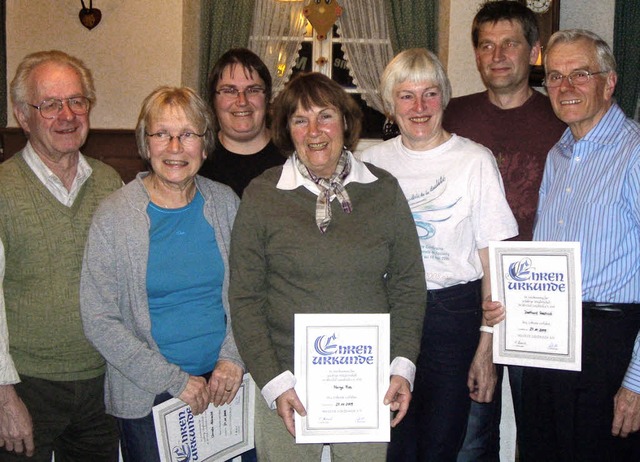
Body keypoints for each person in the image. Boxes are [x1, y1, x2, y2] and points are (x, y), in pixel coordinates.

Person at [228, 72, 426, 461]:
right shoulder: (263, 195)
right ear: (287, 129)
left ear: (347, 123)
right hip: (288, 382)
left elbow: (408, 285)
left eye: (326, 116)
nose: (314, 130)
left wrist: (402, 366)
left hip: (367, 383)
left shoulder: (383, 190)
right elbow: (245, 299)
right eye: (300, 119)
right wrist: (273, 383)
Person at [484, 29, 640, 461]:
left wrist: (638, 380)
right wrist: (510, 304)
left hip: (611, 345)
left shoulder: (636, 152)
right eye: (554, 76)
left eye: (580, 74)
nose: (565, 87)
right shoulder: (559, 155)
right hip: (548, 341)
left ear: (609, 82)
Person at [361, 48, 518, 462]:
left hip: (452, 319)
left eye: (430, 94)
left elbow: (494, 262)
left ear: (444, 98)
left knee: (441, 444)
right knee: (391, 443)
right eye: (406, 95)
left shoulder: (474, 161)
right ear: (389, 103)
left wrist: (487, 345)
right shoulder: (369, 163)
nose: (419, 107)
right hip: (388, 316)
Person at [80, 86, 246, 461]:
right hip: (148, 394)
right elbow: (99, 319)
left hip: (224, 386)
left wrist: (233, 359)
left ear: (204, 146)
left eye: (188, 134)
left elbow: (248, 294)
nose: (175, 147)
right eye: (162, 134)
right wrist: (175, 381)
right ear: (145, 143)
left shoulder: (225, 204)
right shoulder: (114, 216)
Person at [441, 2, 566, 460]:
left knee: (542, 434)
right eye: (486, 45)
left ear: (534, 51)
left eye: (510, 43)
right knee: (470, 436)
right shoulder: (450, 117)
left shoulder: (562, 117)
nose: (497, 55)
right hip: (472, 297)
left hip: (542, 297)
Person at [0, 50, 121, 460]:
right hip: (26, 385)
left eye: (76, 101)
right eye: (49, 104)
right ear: (22, 114)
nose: (66, 115)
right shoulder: (2, 189)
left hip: (101, 383)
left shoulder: (110, 184)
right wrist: (3, 395)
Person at [198, 48, 285, 197]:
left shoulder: (292, 157)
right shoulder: (198, 162)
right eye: (229, 91)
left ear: (267, 97)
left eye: (253, 90)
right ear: (213, 100)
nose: (242, 101)